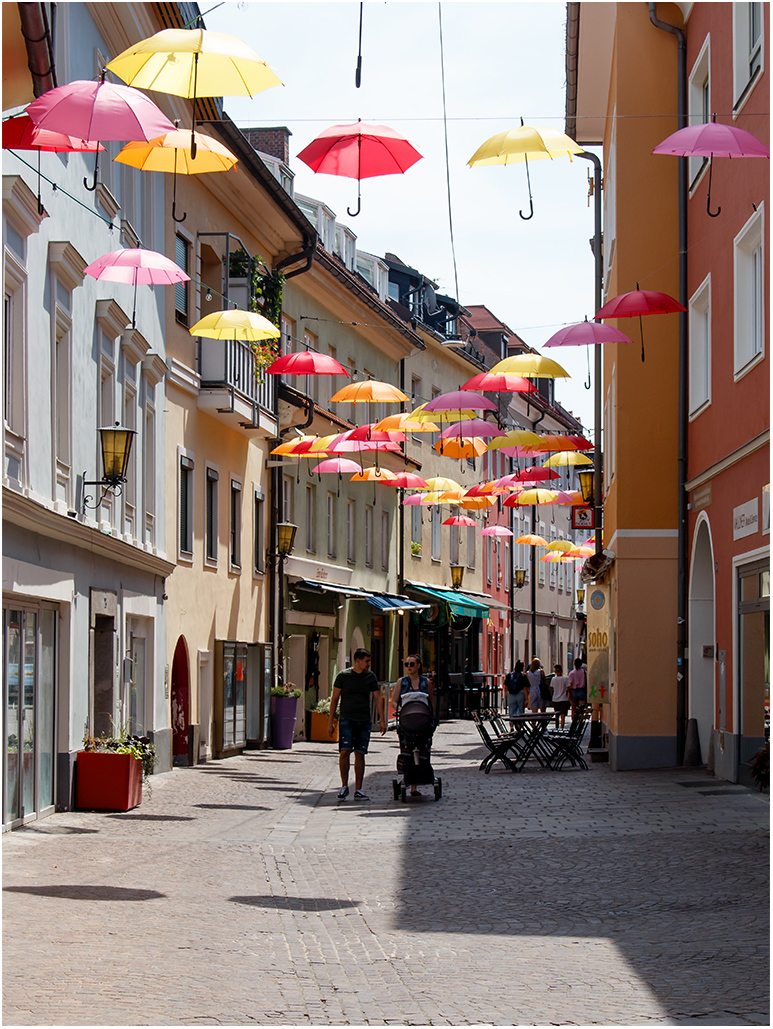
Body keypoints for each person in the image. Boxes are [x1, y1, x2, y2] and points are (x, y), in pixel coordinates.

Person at [328, 648, 385, 801]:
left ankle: (358, 789)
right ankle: (344, 785)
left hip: (364, 720)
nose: (369, 664)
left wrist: (382, 720)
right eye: (367, 661)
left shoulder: (370, 677)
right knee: (345, 752)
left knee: (360, 753)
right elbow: (334, 699)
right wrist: (330, 722)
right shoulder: (343, 676)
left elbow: (378, 698)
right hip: (347, 719)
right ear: (358, 661)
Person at [390, 655, 434, 797]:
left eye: (412, 664)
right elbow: (393, 701)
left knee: (422, 751)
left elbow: (430, 703)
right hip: (407, 723)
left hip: (423, 723)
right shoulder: (401, 682)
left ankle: (415, 785)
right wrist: (401, 709)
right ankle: (408, 779)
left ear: (418, 665)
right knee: (407, 752)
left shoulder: (426, 682)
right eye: (406, 664)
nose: (409, 666)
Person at [551, 663, 570, 729]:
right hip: (563, 699)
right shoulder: (565, 679)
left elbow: (552, 688)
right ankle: (562, 727)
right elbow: (568, 688)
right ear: (562, 671)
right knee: (563, 715)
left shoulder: (553, 679)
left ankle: (556, 727)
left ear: (555, 672)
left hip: (555, 699)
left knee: (556, 715)